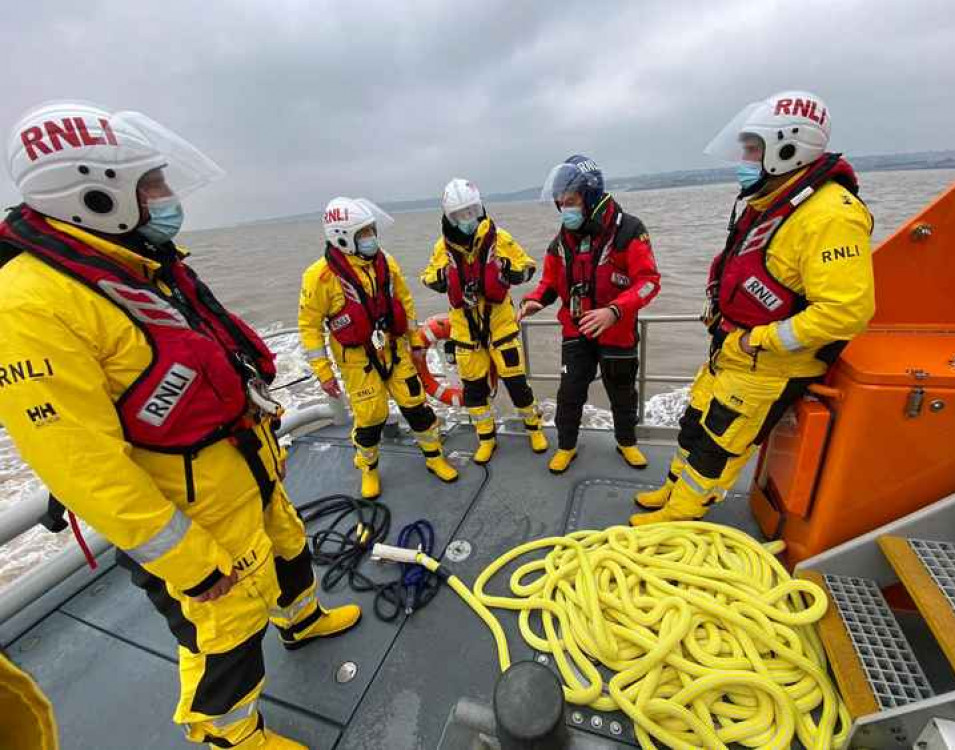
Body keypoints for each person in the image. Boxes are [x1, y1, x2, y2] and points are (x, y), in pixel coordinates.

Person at [0, 101, 360, 749]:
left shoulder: (134, 262)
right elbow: (81, 466)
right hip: (189, 512)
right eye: (152, 187)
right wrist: (190, 563)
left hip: (241, 466)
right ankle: (229, 735)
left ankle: (301, 620)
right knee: (223, 629)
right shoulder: (29, 304)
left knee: (287, 544)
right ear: (94, 195)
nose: (167, 199)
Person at [631, 90, 875, 525]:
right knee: (694, 424)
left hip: (767, 363)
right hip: (732, 351)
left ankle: (684, 513)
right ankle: (671, 491)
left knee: (719, 444)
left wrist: (758, 340)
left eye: (752, 149)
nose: (744, 159)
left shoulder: (831, 216)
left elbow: (846, 312)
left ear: (787, 148)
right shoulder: (775, 202)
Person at [299, 197, 458, 499]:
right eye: (364, 233)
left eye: (372, 230)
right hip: (357, 359)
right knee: (371, 417)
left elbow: (405, 300)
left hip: (394, 348)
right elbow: (309, 327)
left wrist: (413, 341)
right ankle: (368, 469)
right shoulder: (318, 277)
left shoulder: (386, 261)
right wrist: (323, 372)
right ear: (342, 237)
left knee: (416, 406)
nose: (372, 238)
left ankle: (435, 457)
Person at [519, 155, 661, 474]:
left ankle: (627, 443)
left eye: (570, 201)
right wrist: (534, 300)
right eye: (560, 203)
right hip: (576, 332)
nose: (565, 209)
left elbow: (649, 282)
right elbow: (549, 282)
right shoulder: (561, 241)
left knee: (622, 394)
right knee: (569, 395)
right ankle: (566, 446)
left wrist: (614, 311)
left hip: (617, 331)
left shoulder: (630, 230)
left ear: (591, 195)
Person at [421, 178, 548, 463]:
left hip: (501, 325)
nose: (467, 219)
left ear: (479, 208)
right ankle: (486, 439)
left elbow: (528, 266)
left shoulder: (499, 237)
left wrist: (507, 270)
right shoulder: (442, 247)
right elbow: (427, 276)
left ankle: (534, 429)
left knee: (517, 384)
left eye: (471, 211)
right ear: (449, 217)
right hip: (466, 332)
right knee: (475, 392)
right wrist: (444, 278)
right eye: (459, 215)